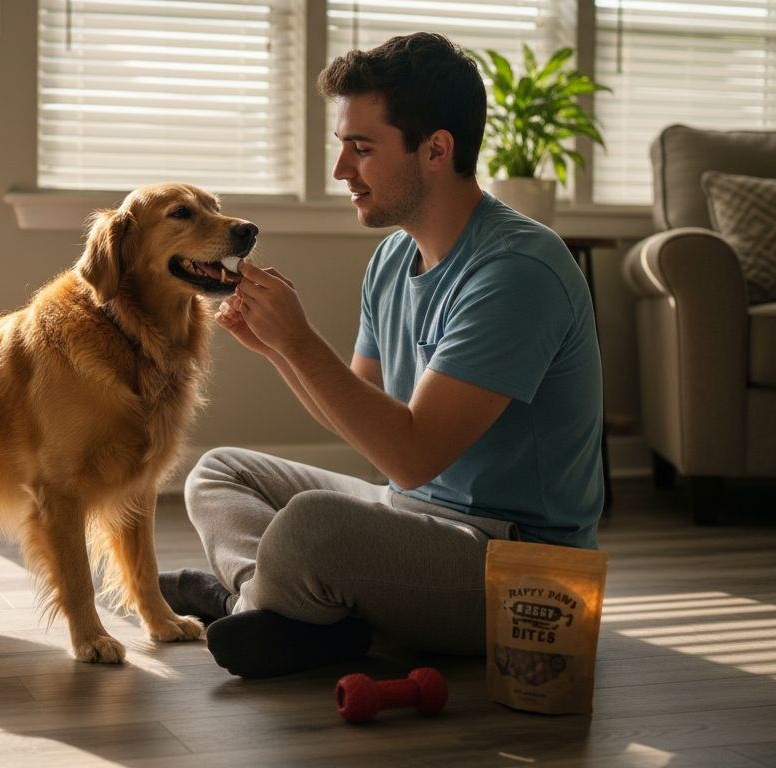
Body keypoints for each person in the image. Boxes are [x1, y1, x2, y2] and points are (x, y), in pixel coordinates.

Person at [159, 32, 605, 678]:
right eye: (343, 147)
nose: (342, 170)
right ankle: (279, 608)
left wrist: (300, 341)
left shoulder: (516, 271)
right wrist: (278, 350)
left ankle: (250, 601)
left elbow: (411, 454)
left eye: (361, 149)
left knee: (313, 527)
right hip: (413, 516)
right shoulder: (394, 256)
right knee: (219, 469)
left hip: (517, 567)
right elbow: (366, 421)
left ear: (436, 150)